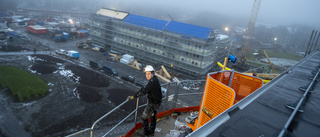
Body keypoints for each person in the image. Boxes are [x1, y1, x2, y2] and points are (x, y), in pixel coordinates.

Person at [131, 65, 162, 136]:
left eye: (149, 74)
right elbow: (146, 88)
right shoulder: (155, 79)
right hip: (157, 102)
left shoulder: (151, 82)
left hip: (153, 103)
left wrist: (134, 96)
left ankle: (146, 133)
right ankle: (151, 131)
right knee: (153, 116)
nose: (147, 75)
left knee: (143, 117)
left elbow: (144, 91)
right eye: (146, 74)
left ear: (152, 73)